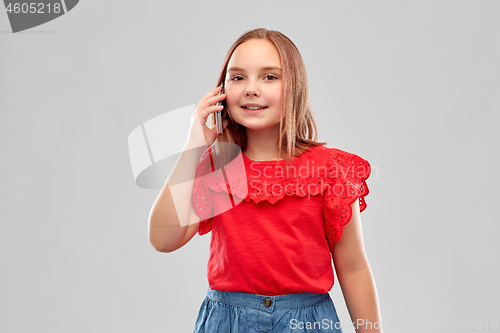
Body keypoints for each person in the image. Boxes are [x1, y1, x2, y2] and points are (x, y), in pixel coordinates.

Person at [149, 28, 383, 333]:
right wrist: (192, 147)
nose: (251, 89)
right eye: (238, 77)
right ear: (221, 91)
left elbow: (353, 267)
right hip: (227, 322)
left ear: (294, 87)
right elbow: (163, 240)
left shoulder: (329, 168)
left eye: (269, 77)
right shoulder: (218, 166)